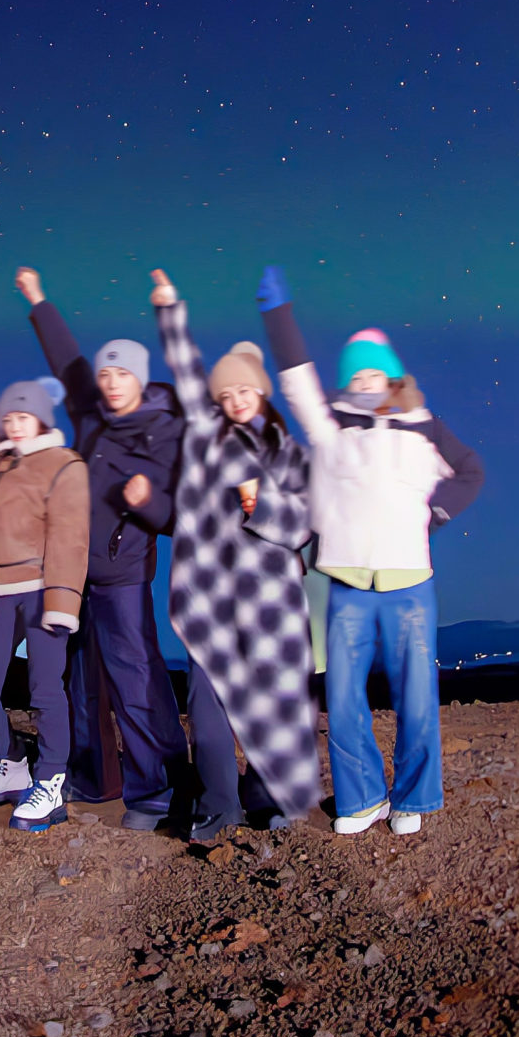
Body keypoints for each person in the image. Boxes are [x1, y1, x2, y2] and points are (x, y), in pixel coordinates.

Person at [257, 267, 484, 837]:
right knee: (344, 697)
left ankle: (415, 799)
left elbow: (470, 472)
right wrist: (278, 317)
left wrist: (435, 513)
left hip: (409, 582)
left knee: (415, 696)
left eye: (373, 373)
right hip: (347, 582)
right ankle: (361, 800)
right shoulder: (330, 427)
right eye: (354, 374)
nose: (364, 381)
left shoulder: (424, 427)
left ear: (390, 379)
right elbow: (295, 382)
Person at [151, 268, 321, 845]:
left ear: (261, 392)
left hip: (272, 600)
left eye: (243, 391)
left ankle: (272, 801)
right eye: (225, 396)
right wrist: (170, 310)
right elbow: (186, 373)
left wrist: (261, 500)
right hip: (211, 597)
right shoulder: (208, 439)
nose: (233, 402)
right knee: (208, 707)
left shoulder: (289, 452)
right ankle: (219, 806)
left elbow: (304, 525)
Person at [14, 267, 187, 830]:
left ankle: (156, 789)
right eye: (107, 372)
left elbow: (175, 514)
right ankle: (93, 778)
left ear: (140, 379)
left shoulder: (163, 427)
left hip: (123, 574)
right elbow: (67, 359)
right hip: (72, 571)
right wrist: (39, 299)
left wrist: (146, 502)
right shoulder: (91, 413)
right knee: (79, 682)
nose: (111, 382)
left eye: (122, 373)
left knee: (134, 679)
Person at [0, 349, 90, 835]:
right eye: (10, 417)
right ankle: (10, 763)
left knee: (45, 691)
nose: (15, 424)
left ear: (41, 419)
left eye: (24, 416)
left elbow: (71, 535)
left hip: (43, 589)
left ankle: (50, 779)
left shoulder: (63, 464)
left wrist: (64, 602)